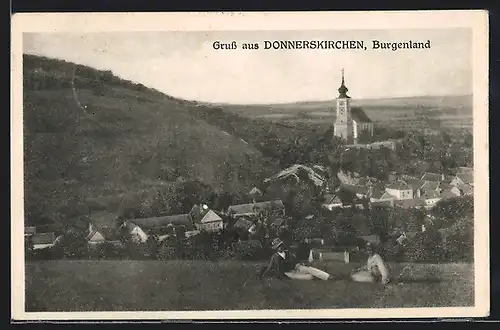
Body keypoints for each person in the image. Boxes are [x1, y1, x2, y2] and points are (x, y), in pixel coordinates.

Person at [258, 238, 330, 280]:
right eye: (278, 246)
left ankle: (327, 276)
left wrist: (299, 264)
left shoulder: (287, 253)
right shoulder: (275, 256)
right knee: (309, 277)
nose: (281, 247)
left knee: (309, 269)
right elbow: (270, 267)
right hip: (287, 273)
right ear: (276, 248)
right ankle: (318, 277)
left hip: (295, 268)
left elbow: (295, 260)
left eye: (281, 245)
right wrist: (263, 275)